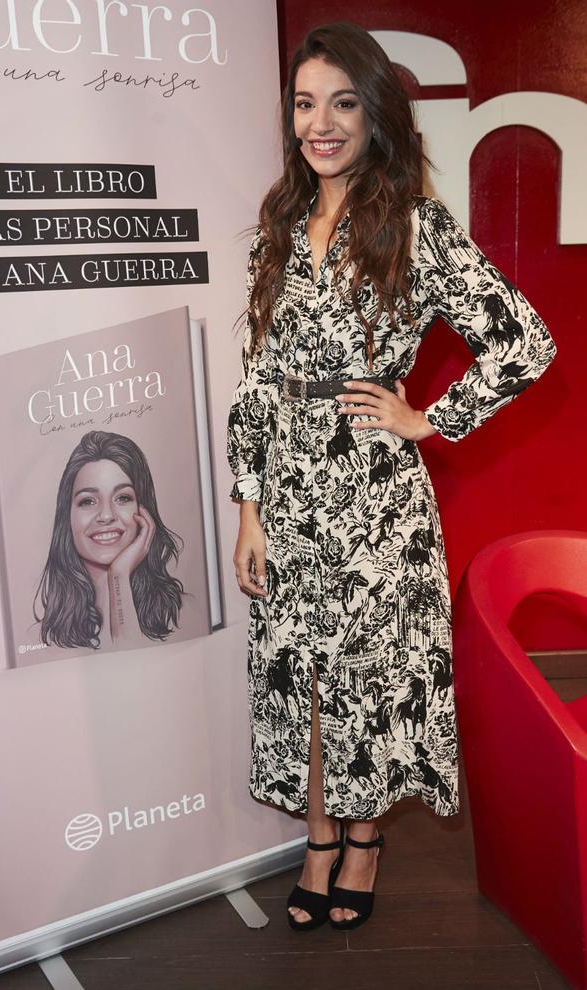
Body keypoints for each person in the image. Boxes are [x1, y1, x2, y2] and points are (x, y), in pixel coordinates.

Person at [226, 21, 557, 933]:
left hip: (374, 490)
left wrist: (429, 417)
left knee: (370, 677)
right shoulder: (279, 222)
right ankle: (319, 838)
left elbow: (525, 342)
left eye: (342, 103)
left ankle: (361, 842)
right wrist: (250, 507)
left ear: (376, 115)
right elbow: (255, 375)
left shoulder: (413, 222)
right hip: (288, 487)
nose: (320, 124)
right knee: (306, 679)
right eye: (304, 103)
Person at [34, 430, 185, 651]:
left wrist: (120, 575)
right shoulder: (41, 636)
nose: (106, 515)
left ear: (144, 511)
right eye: (87, 501)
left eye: (123, 498)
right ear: (67, 517)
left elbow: (131, 661)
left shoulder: (185, 612)